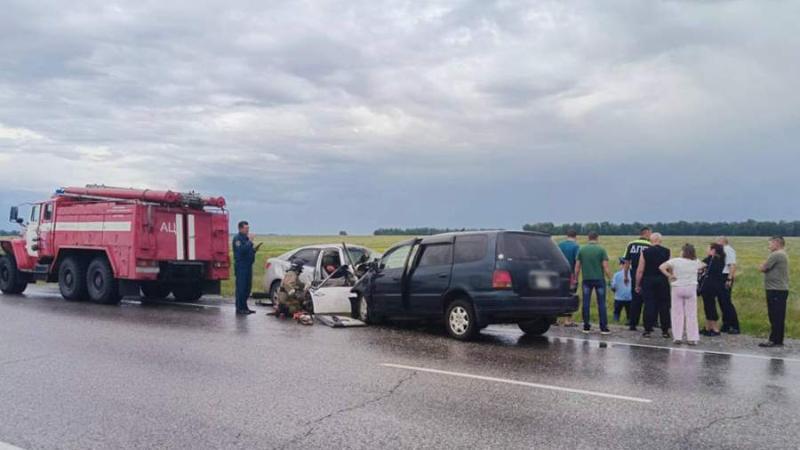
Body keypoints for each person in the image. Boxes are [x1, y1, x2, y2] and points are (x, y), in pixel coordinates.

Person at [660, 244, 705, 345]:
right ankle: (692, 338)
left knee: (677, 313)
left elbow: (661, 267)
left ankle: (677, 337)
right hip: (691, 288)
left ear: (683, 252)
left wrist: (669, 275)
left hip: (677, 287)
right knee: (691, 314)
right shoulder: (695, 262)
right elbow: (703, 265)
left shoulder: (675, 261)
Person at [574, 231, 612, 334]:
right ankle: (603, 327)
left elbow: (577, 267)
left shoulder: (582, 249)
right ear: (597, 238)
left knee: (586, 303)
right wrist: (610, 278)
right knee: (601, 304)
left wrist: (576, 279)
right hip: (599, 279)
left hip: (586, 280)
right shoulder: (601, 250)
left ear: (588, 238)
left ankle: (586, 326)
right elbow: (605, 266)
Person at [636, 232, 671, 338]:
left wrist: (637, 284)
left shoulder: (645, 252)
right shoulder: (667, 251)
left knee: (649, 304)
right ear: (660, 240)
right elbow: (669, 267)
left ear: (650, 241)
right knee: (664, 305)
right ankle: (665, 330)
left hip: (648, 280)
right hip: (662, 280)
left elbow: (640, 270)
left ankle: (647, 329)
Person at [759, 236, 790, 348]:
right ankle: (778, 339)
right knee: (778, 315)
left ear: (777, 243)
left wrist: (762, 265)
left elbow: (763, 268)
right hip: (779, 289)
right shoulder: (782, 253)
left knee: (775, 315)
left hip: (776, 289)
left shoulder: (776, 254)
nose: (769, 245)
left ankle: (773, 339)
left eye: (770, 243)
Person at [624, 227, 652, 331]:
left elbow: (627, 261)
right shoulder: (650, 245)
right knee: (648, 299)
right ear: (647, 233)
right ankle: (648, 324)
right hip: (647, 273)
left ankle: (633, 323)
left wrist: (625, 275)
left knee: (635, 299)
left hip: (634, 272)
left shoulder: (631, 244)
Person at [233, 220, 260, 315]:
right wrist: (250, 241)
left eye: (248, 228)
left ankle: (245, 307)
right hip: (241, 267)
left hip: (248, 266)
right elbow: (241, 250)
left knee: (247, 288)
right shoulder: (237, 239)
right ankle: (239, 308)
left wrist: (253, 250)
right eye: (246, 228)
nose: (248, 230)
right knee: (241, 288)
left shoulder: (245, 238)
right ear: (240, 228)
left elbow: (248, 250)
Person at [699, 243, 726, 337]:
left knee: (710, 306)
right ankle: (708, 327)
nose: (707, 250)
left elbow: (699, 266)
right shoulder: (721, 259)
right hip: (716, 286)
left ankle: (715, 328)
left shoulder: (711, 259)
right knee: (709, 305)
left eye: (708, 248)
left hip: (709, 286)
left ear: (713, 250)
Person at [717, 236, 740, 334]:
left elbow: (732, 264)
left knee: (726, 301)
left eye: (717, 241)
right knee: (722, 301)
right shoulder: (724, 250)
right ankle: (726, 324)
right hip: (722, 275)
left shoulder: (728, 250)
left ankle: (734, 325)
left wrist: (729, 278)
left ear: (722, 242)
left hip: (726, 276)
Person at [557, 229, 580, 327]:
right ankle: (567, 320)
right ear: (575, 236)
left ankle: (555, 319)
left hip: (558, 273)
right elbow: (577, 262)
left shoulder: (560, 245)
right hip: (570, 274)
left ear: (567, 235)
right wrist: (576, 276)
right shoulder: (576, 246)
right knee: (570, 295)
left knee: (557, 295)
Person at [610, 257, 632, 323]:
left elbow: (613, 286)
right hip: (630, 298)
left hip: (618, 298)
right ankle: (629, 322)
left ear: (622, 265)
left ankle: (616, 323)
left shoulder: (616, 275)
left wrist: (614, 290)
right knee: (629, 314)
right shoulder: (632, 274)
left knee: (616, 313)